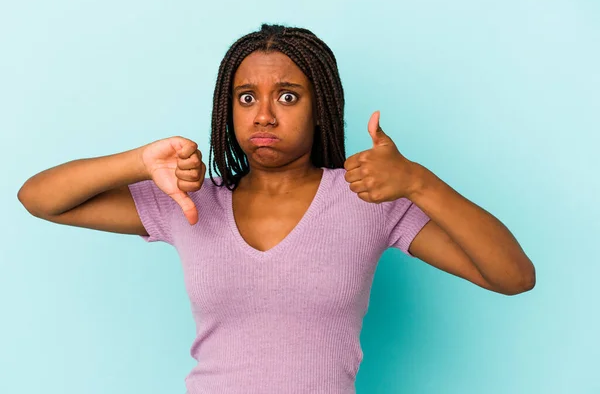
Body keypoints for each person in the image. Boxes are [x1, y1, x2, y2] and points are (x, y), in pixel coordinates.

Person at [17, 24, 535, 394]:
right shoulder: (189, 199)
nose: (263, 114)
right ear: (227, 107)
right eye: (246, 98)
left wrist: (418, 182)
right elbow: (39, 199)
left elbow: (512, 275)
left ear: (320, 109)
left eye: (287, 97)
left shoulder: (366, 200)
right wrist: (135, 160)